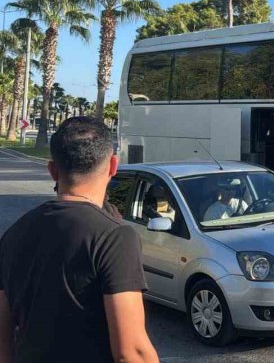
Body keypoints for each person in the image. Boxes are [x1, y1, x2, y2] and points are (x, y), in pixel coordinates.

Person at [0, 117, 158, 363]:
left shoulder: (14, 234)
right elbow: (131, 352)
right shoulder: (114, 237)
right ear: (113, 166)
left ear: (52, 170)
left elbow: (3, 341)